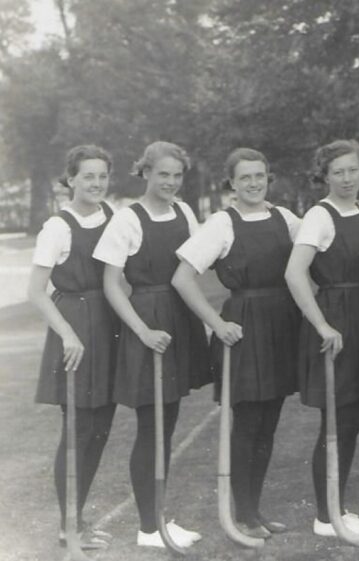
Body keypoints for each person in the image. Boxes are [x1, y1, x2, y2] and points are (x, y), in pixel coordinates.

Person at [172, 148, 301, 537]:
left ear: (268, 177)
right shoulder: (220, 224)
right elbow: (181, 278)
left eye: (259, 176)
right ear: (232, 182)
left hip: (282, 323)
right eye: (245, 177)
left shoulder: (286, 219)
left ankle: (254, 511)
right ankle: (243, 515)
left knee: (270, 422)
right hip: (242, 326)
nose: (253, 183)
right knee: (248, 420)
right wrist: (216, 324)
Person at [93, 141, 210, 548]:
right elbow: (111, 284)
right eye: (163, 174)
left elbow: (197, 264)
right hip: (147, 323)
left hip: (179, 320)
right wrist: (143, 332)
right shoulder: (127, 220)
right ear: (144, 172)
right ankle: (148, 528)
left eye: (177, 176)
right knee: (152, 427)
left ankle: (158, 518)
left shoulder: (185, 212)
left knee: (168, 422)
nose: (171, 183)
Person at [284, 140, 359, 537]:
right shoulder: (319, 216)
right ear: (324, 176)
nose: (347, 178)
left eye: (353, 170)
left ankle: (337, 507)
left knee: (352, 418)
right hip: (336, 321)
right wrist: (322, 324)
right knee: (337, 420)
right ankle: (326, 517)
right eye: (338, 172)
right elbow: (295, 273)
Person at [29, 145, 118, 550]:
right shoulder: (58, 227)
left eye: (102, 176)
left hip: (109, 325)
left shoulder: (115, 218)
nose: (96, 183)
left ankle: (77, 519)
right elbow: (35, 291)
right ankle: (69, 525)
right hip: (76, 328)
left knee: (101, 428)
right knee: (78, 429)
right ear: (70, 180)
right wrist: (67, 333)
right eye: (88, 176)